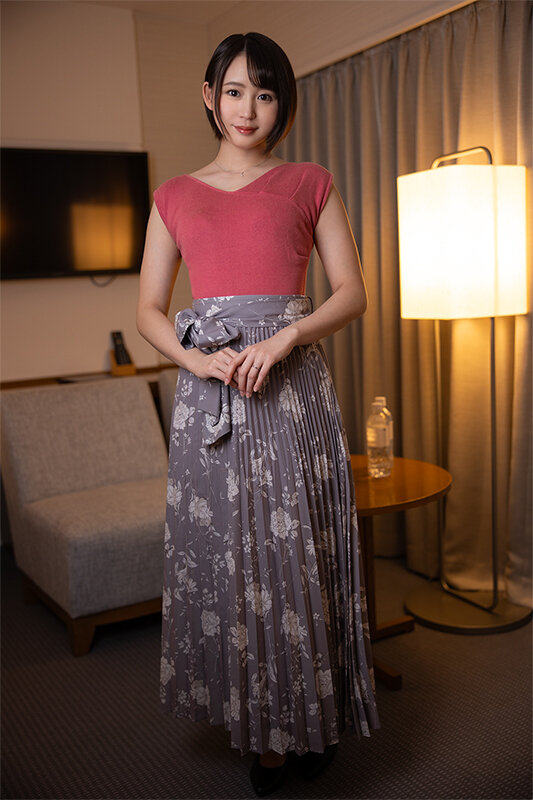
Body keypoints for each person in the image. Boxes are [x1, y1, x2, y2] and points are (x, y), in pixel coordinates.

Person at [137, 31, 380, 798]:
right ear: (210, 96)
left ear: (282, 104)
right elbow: (147, 310)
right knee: (231, 563)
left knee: (298, 556)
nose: (248, 109)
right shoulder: (173, 195)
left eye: (265, 93)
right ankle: (260, 730)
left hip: (291, 390)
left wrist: (286, 337)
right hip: (211, 397)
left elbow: (352, 292)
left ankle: (310, 717)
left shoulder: (310, 182)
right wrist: (193, 361)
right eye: (235, 91)